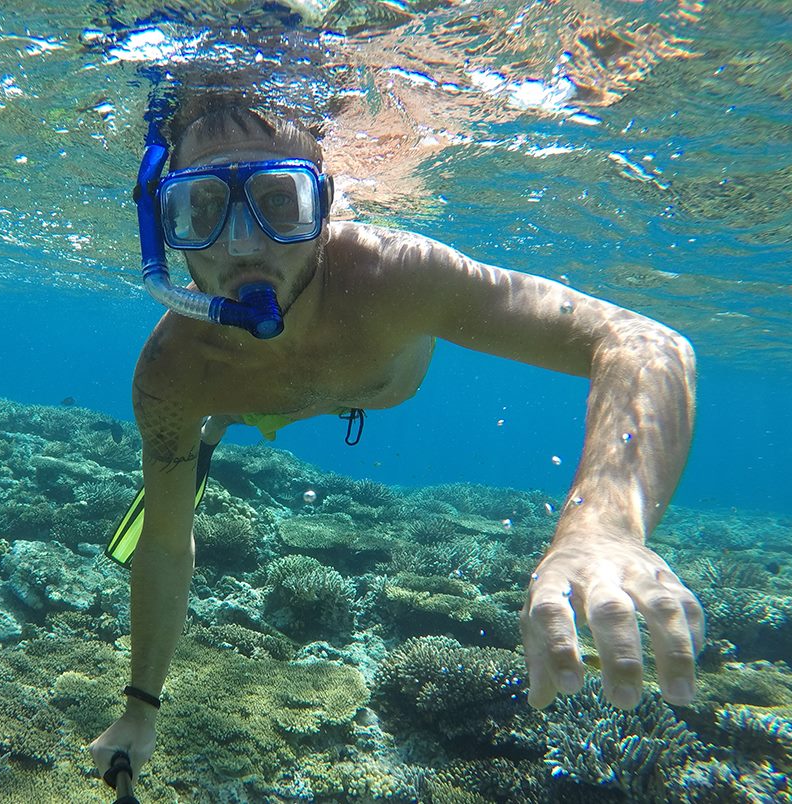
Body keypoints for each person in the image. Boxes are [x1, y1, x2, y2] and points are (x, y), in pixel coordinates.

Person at [89, 103, 704, 782]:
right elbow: (169, 543)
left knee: (224, 410)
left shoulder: (397, 275)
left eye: (277, 202)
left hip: (350, 394)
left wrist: (606, 525)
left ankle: (218, 422)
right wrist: (140, 707)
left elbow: (647, 342)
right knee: (214, 418)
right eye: (201, 211)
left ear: (324, 208)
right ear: (164, 231)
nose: (241, 246)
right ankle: (214, 429)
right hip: (239, 401)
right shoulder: (173, 373)